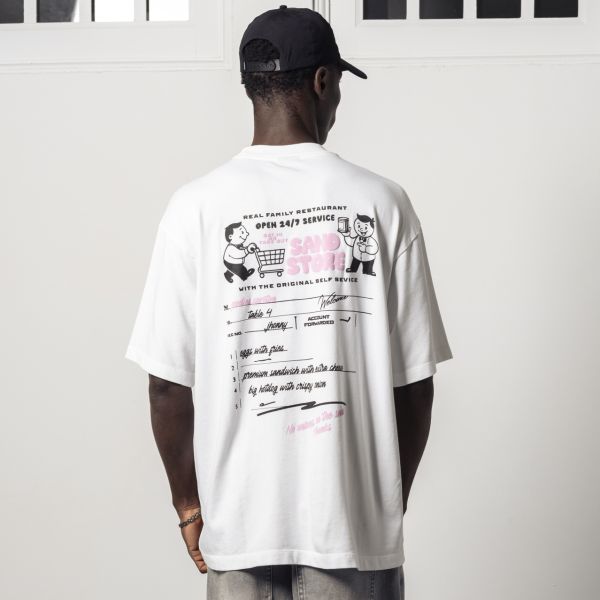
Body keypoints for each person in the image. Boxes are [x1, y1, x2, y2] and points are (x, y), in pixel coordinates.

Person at [124, 6, 453, 599]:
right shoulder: (382, 203)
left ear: (251, 86)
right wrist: (382, 504)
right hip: (352, 539)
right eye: (338, 85)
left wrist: (189, 505)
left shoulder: (194, 209)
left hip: (239, 536)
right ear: (322, 81)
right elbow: (415, 385)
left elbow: (166, 385)